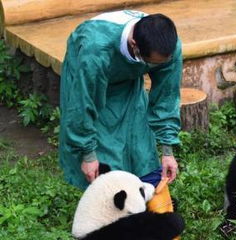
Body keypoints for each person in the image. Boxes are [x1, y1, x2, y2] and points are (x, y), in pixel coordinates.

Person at [59, 10, 182, 190]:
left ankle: (146, 202)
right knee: (105, 161)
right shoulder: (95, 51)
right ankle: (111, 204)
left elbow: (167, 98)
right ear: (134, 45)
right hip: (90, 78)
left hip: (128, 81)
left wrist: (167, 151)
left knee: (140, 148)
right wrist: (88, 155)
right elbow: (81, 105)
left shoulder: (168, 48)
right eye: (152, 63)